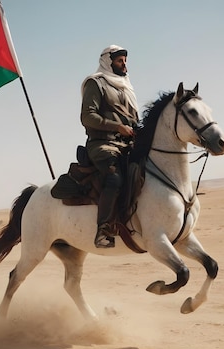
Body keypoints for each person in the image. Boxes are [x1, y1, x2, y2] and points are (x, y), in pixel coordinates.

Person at [80, 45, 139, 248]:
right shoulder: (96, 83)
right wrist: (117, 127)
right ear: (108, 61)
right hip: (103, 143)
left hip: (127, 144)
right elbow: (87, 116)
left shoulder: (125, 86)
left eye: (125, 61)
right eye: (119, 61)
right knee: (114, 177)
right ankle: (103, 230)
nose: (124, 65)